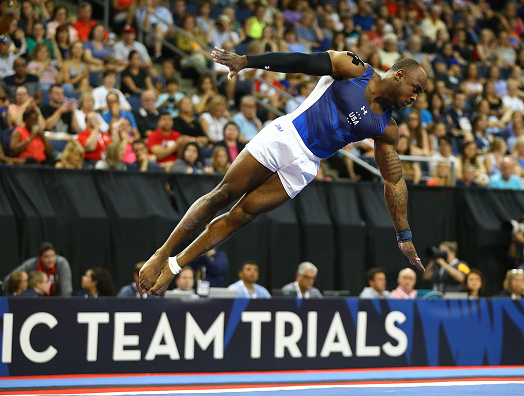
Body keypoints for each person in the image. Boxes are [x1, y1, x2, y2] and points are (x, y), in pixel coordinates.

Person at [138, 48, 427, 295]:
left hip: (305, 165)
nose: (416, 97)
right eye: (416, 88)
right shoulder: (353, 68)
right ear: (399, 75)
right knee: (223, 195)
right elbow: (299, 62)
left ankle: (175, 265)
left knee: (242, 216)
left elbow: (394, 180)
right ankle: (160, 254)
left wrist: (404, 235)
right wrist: (246, 61)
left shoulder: (386, 129)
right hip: (285, 136)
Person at [4, 242, 72, 296]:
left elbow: (66, 290)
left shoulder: (61, 264)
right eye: (47, 257)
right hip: (33, 301)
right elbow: (10, 279)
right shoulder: (31, 264)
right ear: (39, 258)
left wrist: (64, 304)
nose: (50, 260)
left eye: (53, 256)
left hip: (57, 302)